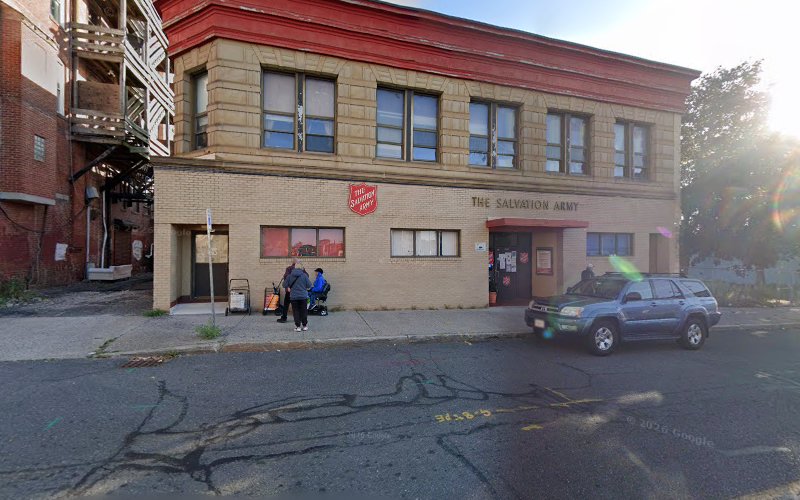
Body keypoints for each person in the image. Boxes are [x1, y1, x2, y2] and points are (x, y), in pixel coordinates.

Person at [276, 257, 307, 323]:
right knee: (298, 305)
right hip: (298, 291)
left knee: (286, 304)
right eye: (299, 261)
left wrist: (287, 287)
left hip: (290, 290)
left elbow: (286, 278)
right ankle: (300, 319)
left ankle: (284, 318)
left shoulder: (289, 269)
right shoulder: (301, 269)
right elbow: (307, 277)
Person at [285, 261, 313, 331]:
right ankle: (305, 326)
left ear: (294, 267)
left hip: (294, 297)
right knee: (304, 311)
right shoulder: (304, 276)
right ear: (301, 268)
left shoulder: (289, 276)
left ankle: (298, 327)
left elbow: (284, 285)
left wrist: (288, 287)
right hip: (303, 296)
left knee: (296, 311)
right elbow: (309, 285)